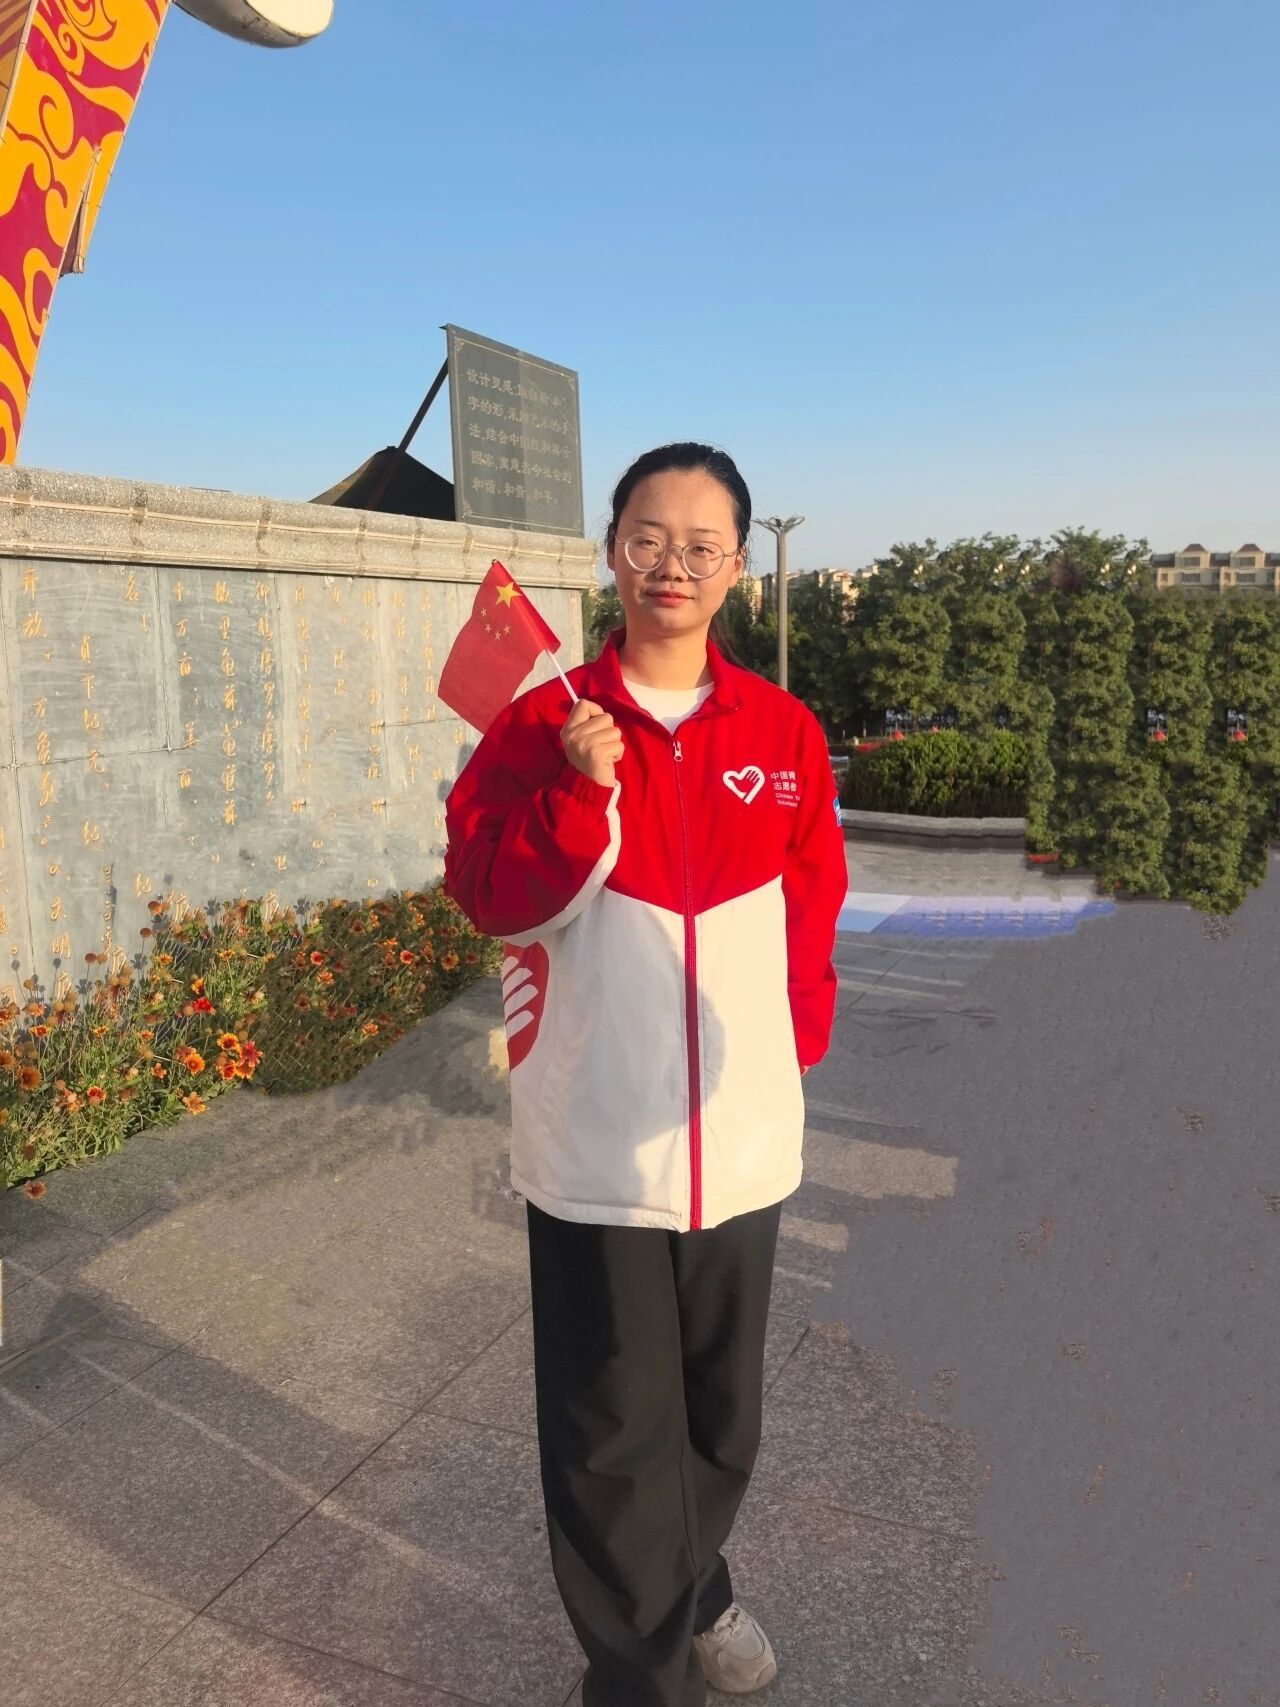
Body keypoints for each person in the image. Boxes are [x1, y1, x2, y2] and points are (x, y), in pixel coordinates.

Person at [444, 442, 848, 1706]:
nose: (672, 565)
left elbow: (810, 904)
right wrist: (576, 790)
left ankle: (697, 1583)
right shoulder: (543, 721)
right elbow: (488, 894)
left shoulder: (780, 731)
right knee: (612, 1430)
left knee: (719, 1417)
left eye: (700, 545)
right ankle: (635, 1678)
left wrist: (787, 1049)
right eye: (646, 539)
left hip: (739, 1136)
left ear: (734, 570)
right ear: (610, 552)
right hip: (594, 1137)